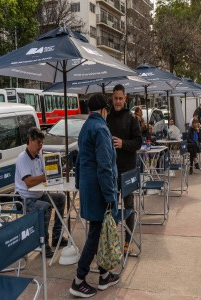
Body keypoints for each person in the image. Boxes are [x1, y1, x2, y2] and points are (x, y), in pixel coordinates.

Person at [70, 94, 119, 297]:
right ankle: (79, 280)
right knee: (96, 235)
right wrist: (110, 195)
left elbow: (80, 160)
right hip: (100, 191)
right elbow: (105, 166)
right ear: (104, 110)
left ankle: (104, 275)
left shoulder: (86, 127)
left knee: (99, 233)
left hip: (89, 189)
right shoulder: (100, 128)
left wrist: (79, 184)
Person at [14, 127, 66, 258]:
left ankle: (56, 236)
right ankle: (43, 244)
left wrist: (57, 173)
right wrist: (46, 176)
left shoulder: (38, 157)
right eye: (38, 142)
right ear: (30, 141)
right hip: (24, 199)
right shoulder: (22, 158)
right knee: (45, 207)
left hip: (38, 195)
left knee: (61, 198)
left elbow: (47, 176)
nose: (40, 145)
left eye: (42, 143)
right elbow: (29, 182)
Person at [106, 84, 142, 254]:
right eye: (115, 98)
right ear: (112, 99)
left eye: (121, 98)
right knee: (111, 207)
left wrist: (122, 144)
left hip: (127, 170)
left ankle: (128, 240)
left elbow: (138, 142)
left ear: (125, 99)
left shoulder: (132, 118)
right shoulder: (106, 118)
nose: (118, 101)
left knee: (128, 207)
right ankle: (112, 239)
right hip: (111, 171)